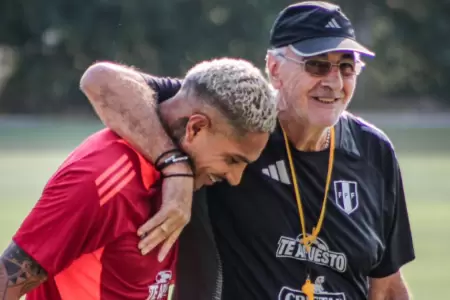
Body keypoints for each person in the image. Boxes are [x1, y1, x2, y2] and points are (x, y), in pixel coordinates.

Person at [86, 2, 416, 299]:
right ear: (274, 69)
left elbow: (386, 287)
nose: (334, 81)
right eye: (316, 66)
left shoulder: (375, 152)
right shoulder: (230, 120)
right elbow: (102, 81)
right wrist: (175, 166)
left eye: (347, 67)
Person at [0, 57, 278, 300]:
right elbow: (7, 282)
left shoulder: (186, 176)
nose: (235, 178)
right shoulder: (103, 178)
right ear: (195, 128)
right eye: (231, 160)